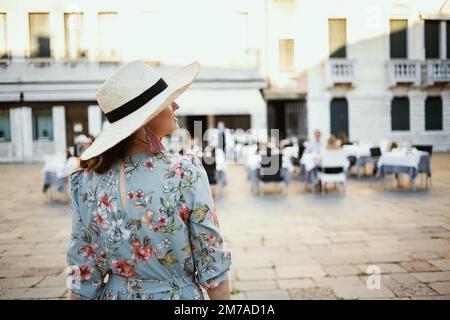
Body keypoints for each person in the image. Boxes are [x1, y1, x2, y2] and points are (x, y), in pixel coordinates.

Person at [67, 60, 231, 300]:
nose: (176, 104)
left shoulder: (85, 183)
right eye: (166, 102)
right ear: (144, 120)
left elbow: (80, 271)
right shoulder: (185, 173)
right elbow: (211, 262)